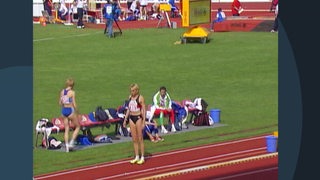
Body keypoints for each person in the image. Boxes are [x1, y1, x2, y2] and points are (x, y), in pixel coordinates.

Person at [123, 83, 146, 165]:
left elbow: (143, 110)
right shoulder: (130, 97)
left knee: (140, 138)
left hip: (138, 118)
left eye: (133, 91)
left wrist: (143, 122)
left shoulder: (140, 98)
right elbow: (129, 109)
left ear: (136, 90)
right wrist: (125, 119)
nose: (131, 92)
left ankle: (142, 156)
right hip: (131, 118)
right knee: (134, 139)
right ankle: (136, 156)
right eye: (131, 91)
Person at [59, 78, 80, 152]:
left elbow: (60, 103)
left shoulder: (62, 91)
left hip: (64, 110)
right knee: (77, 127)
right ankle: (71, 142)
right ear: (72, 85)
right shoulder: (72, 92)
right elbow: (74, 103)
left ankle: (67, 146)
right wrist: (77, 112)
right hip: (70, 110)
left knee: (66, 129)